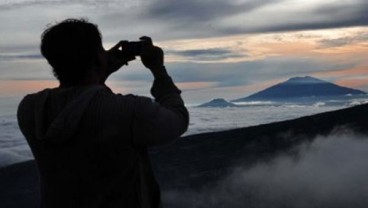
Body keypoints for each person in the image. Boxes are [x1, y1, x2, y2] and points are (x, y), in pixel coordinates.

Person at [17, 18, 189, 208]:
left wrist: (100, 70)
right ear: (99, 56)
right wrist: (158, 69)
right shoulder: (129, 111)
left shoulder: (29, 109)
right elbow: (178, 120)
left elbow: (79, 104)